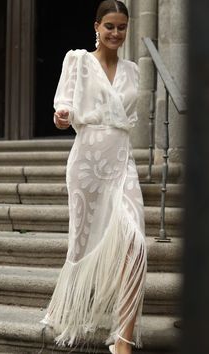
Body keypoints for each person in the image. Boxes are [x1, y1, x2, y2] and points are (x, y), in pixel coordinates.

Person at [39, 1, 147, 353]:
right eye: (110, 26)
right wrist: (62, 115)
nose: (116, 33)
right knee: (83, 244)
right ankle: (70, 310)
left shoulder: (133, 70)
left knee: (136, 243)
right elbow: (63, 104)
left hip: (121, 161)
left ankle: (124, 339)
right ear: (96, 27)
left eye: (122, 27)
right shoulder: (78, 61)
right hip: (86, 164)